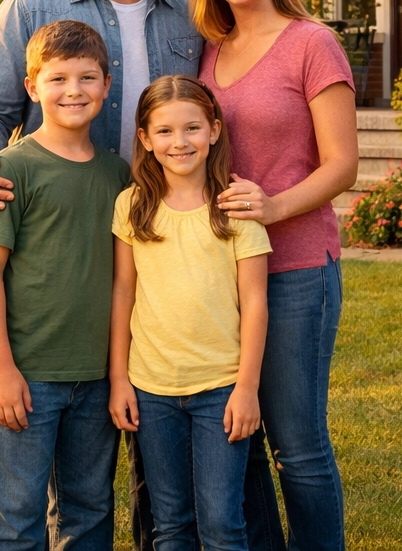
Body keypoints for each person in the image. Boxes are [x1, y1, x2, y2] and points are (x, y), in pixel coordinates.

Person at [0, 0, 198, 549]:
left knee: (122, 467)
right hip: (48, 253)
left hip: (154, 248)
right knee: (18, 512)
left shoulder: (187, 16)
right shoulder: (30, 8)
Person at [187, 0, 359, 551]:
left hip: (295, 270)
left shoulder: (311, 43)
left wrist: (274, 208)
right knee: (241, 435)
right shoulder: (211, 49)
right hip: (224, 273)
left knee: (297, 445)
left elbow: (343, 164)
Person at [0, 19, 132, 550]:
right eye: (58, 78)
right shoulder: (9, 169)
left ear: (107, 85)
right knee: (13, 521)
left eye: (87, 78)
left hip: (95, 376)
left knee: (89, 512)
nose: (73, 91)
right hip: (26, 374)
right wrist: (1, 369)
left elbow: (122, 280)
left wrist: (117, 373)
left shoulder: (117, 175)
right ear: (32, 87)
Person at [108, 76, 271, 551]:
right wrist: (119, 379)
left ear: (214, 130)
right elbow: (123, 292)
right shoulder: (132, 206)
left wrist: (247, 389)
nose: (179, 142)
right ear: (145, 138)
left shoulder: (235, 207)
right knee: (171, 524)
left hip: (221, 389)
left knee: (222, 524)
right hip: (151, 389)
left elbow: (255, 302)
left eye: (192, 128)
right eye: (164, 131)